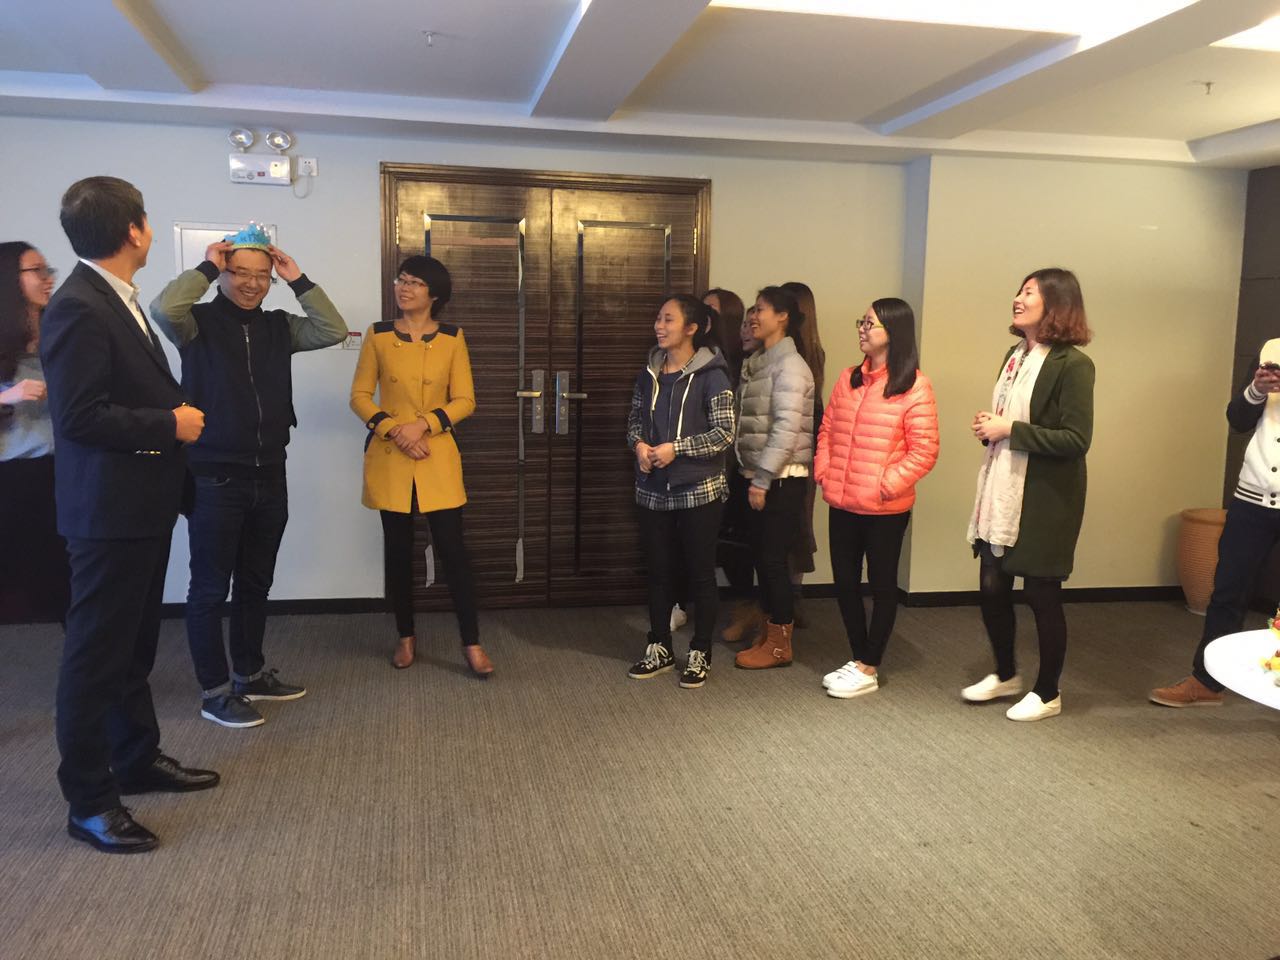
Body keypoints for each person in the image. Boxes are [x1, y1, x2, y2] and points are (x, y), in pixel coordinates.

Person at [41, 176, 219, 854]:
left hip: (139, 507)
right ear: (135, 230)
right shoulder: (79, 306)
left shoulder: (115, 297)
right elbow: (79, 417)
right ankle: (89, 802)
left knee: (133, 649)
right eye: (146, 221)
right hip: (106, 513)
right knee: (95, 659)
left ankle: (136, 758)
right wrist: (169, 423)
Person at [150, 224, 348, 728]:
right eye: (239, 272)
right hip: (215, 475)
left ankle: (249, 674)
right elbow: (163, 309)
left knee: (256, 583)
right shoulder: (195, 323)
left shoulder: (280, 327)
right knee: (209, 589)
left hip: (270, 472)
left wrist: (298, 279)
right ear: (223, 273)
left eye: (262, 275)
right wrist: (205, 266)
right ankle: (214, 692)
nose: (252, 283)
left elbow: (331, 329)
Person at [350, 255, 493, 677]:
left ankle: (472, 642)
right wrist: (395, 430)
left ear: (434, 294)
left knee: (453, 552)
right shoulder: (378, 335)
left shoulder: (452, 337)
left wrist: (424, 425)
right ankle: (405, 636)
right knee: (398, 552)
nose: (404, 288)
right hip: (392, 454)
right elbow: (359, 396)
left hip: (435, 454)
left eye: (414, 282)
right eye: (401, 280)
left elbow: (465, 400)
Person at [964, 268, 1094, 722]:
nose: (1018, 299)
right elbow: (1011, 418)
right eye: (1019, 291)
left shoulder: (1074, 365)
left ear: (1056, 304)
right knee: (992, 586)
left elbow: (1076, 439)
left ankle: (1048, 691)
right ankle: (1005, 674)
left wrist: (1011, 429)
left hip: (1045, 497)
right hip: (1003, 487)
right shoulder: (1014, 355)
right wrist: (992, 428)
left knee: (1041, 594)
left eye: (1030, 293)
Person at [815, 298, 938, 699]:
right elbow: (826, 431)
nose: (862, 329)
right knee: (845, 583)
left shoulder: (914, 385)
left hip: (884, 507)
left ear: (893, 331)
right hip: (842, 500)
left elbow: (924, 451)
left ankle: (870, 664)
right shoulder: (848, 378)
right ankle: (858, 659)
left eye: (870, 324)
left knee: (882, 584)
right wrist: (825, 471)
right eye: (862, 322)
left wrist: (884, 484)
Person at [1150, 342, 1280, 707]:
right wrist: (1257, 389)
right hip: (1252, 500)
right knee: (1227, 593)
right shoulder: (1273, 349)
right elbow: (1238, 419)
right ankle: (1207, 681)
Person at [625, 295, 735, 688]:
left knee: (700, 572)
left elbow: (724, 433)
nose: (659, 326)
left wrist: (678, 448)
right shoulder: (649, 372)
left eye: (668, 320)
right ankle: (659, 647)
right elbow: (634, 420)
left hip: (699, 489)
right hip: (652, 489)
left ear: (692, 328)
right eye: (658, 319)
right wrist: (640, 446)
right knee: (658, 571)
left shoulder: (713, 375)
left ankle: (701, 651)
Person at [734, 286, 815, 670]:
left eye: (761, 310)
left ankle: (780, 644)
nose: (753, 317)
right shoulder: (761, 362)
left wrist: (762, 479)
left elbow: (785, 428)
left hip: (781, 479)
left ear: (782, 317)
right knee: (763, 559)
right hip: (758, 474)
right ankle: (768, 634)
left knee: (773, 561)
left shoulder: (791, 367)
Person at [0, 241, 69, 624]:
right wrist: (6, 396)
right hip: (13, 477)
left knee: (67, 582)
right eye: (37, 271)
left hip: (62, 470)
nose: (48, 279)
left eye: (48, 270)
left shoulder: (57, 330)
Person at [781, 281, 826, 627]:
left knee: (789, 528)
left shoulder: (792, 356)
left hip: (793, 451)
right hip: (806, 449)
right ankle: (790, 600)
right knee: (797, 527)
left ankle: (785, 605)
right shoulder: (813, 351)